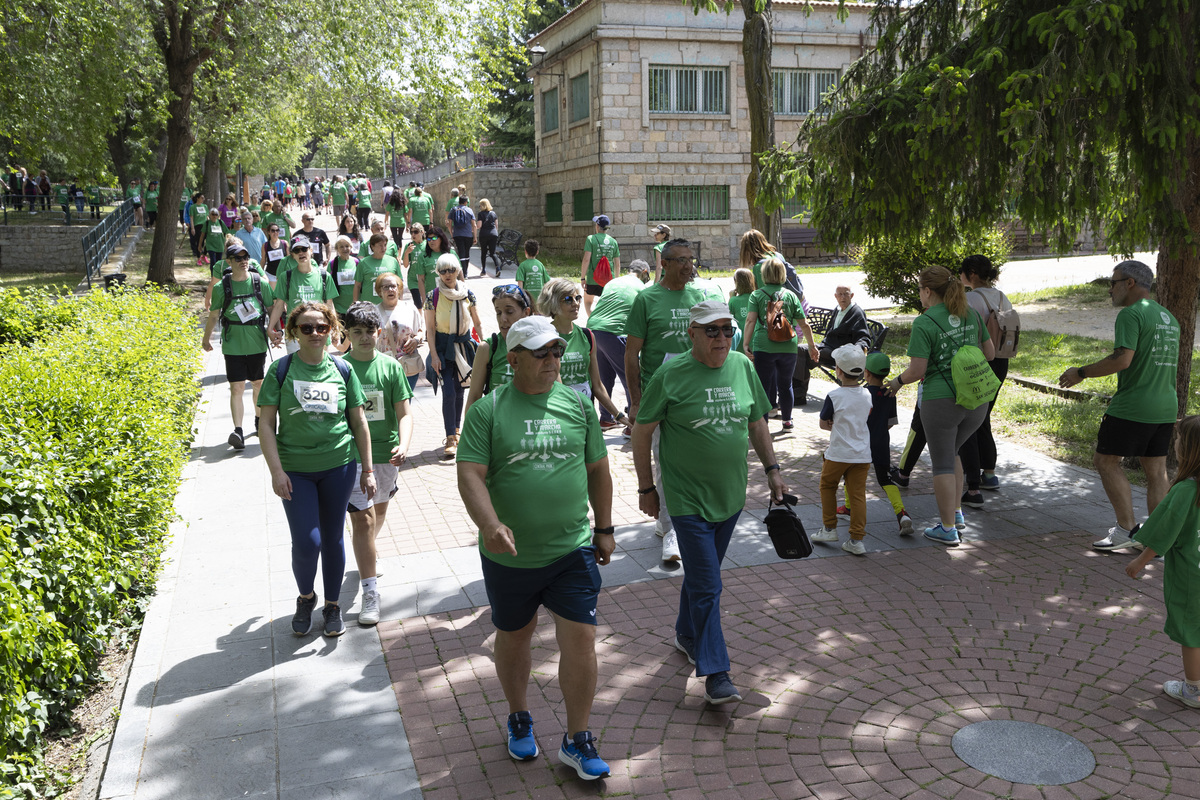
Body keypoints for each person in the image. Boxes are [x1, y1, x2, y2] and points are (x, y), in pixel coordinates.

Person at [456, 315, 614, 781]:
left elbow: (599, 470)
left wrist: (604, 528)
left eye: (557, 351)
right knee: (515, 635)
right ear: (514, 359)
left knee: (582, 638)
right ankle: (519, 714)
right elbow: (469, 474)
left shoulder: (576, 404)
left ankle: (577, 739)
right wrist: (490, 524)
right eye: (542, 353)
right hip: (511, 555)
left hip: (572, 549)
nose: (552, 360)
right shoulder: (488, 410)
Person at [633, 300, 787, 704]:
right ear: (692, 334)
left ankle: (686, 634)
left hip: (731, 496)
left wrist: (772, 469)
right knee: (709, 585)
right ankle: (717, 672)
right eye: (711, 330)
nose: (721, 338)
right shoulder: (670, 374)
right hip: (686, 499)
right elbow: (641, 431)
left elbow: (756, 421)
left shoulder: (742, 365)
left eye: (726, 329)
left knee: (704, 578)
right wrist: (647, 488)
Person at [258, 302, 374, 637]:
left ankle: (333, 605)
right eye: (306, 328)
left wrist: (367, 469)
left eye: (321, 327)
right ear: (294, 332)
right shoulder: (280, 371)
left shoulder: (342, 370)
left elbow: (359, 421)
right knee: (308, 543)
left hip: (338, 466)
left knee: (334, 537)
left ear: (331, 331)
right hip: (296, 470)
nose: (314, 334)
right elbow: (266, 424)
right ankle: (306, 596)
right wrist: (276, 471)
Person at [1058, 259, 1180, 551]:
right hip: (1166, 406)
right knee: (1156, 470)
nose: (1109, 290)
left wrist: (1081, 372)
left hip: (1134, 406)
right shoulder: (1168, 318)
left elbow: (1123, 359)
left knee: (1105, 461)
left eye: (1112, 283)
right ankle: (1156, 539)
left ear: (1130, 283)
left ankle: (1126, 530)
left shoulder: (1131, 314)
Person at [886, 266, 995, 545]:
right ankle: (956, 514)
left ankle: (948, 529)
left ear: (927, 291)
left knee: (943, 462)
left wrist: (897, 382)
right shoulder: (970, 313)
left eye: (920, 290)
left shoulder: (924, 322)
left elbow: (916, 370)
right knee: (954, 452)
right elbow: (990, 353)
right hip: (977, 399)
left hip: (941, 400)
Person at [625, 238, 709, 563]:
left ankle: (674, 522)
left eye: (691, 259)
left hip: (694, 394)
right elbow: (631, 354)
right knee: (665, 462)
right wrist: (635, 400)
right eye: (682, 260)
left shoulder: (699, 296)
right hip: (658, 396)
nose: (689, 266)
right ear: (666, 263)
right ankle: (671, 532)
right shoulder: (647, 299)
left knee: (691, 461)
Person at [342, 301, 413, 626]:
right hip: (351, 458)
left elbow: (405, 415)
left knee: (379, 511)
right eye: (357, 332)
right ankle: (370, 593)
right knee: (364, 521)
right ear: (347, 333)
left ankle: (367, 551)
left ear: (378, 332)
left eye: (369, 331)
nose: (364, 337)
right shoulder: (338, 369)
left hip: (387, 454)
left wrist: (405, 442)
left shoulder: (391, 367)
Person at [1126, 415, 1200, 709]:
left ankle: (1193, 690)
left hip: (1191, 579)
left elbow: (1161, 533)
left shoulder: (1185, 492)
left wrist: (1140, 562)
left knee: (1191, 632)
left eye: (1180, 440)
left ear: (1190, 450)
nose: (1176, 444)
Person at [202, 241, 275, 449]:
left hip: (257, 342)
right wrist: (206, 339)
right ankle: (238, 431)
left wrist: (275, 331)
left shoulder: (259, 282)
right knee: (237, 387)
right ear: (229, 261)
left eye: (245, 258)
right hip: (233, 344)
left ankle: (260, 422)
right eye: (238, 258)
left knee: (258, 383)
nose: (243, 261)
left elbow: (271, 308)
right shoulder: (221, 287)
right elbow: (214, 315)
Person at [535, 278, 629, 426]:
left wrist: (618, 416)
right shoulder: (544, 337)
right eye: (568, 299)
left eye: (577, 298)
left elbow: (597, 385)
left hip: (585, 414)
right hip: (558, 416)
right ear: (553, 304)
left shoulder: (587, 336)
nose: (576, 303)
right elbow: (554, 386)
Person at [958, 254, 1013, 504]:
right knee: (984, 415)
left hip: (978, 361)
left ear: (971, 273)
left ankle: (974, 481)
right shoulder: (1002, 296)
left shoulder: (970, 299)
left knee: (973, 418)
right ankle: (989, 472)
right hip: (1002, 361)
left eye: (962, 272)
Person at [810, 345, 874, 555]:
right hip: (862, 454)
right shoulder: (866, 394)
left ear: (838, 370)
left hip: (838, 453)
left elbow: (823, 423)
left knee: (828, 486)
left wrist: (832, 423)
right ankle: (857, 540)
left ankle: (829, 528)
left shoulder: (834, 395)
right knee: (858, 495)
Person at [743, 257, 818, 431]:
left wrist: (746, 344)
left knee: (763, 386)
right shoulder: (791, 295)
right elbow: (804, 324)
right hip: (788, 346)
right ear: (783, 274)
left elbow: (750, 320)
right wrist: (812, 346)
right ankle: (787, 421)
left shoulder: (757, 295)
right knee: (786, 384)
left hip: (764, 346)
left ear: (763, 274)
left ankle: (763, 423)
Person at [425, 254, 483, 459]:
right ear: (438, 273)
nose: (448, 275)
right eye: (443, 271)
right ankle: (450, 436)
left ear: (459, 270)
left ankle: (456, 430)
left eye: (451, 270)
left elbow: (477, 322)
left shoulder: (468, 294)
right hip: (442, 348)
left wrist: (484, 346)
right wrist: (433, 356)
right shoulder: (432, 297)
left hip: (464, 347)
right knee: (448, 391)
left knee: (460, 391)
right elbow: (430, 330)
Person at [583, 260, 652, 431]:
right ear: (644, 272)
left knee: (604, 378)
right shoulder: (641, 288)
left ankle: (605, 419)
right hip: (614, 332)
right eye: (647, 277)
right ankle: (633, 425)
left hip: (593, 330)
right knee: (631, 377)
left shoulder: (613, 282)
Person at [794, 285, 872, 400]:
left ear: (852, 295)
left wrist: (858, 348)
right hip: (827, 347)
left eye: (846, 294)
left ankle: (798, 395)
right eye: (840, 294)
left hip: (839, 351)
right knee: (799, 350)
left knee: (806, 355)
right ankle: (798, 394)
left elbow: (863, 336)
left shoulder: (856, 312)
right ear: (835, 296)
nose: (843, 297)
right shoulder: (837, 309)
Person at [465, 284, 533, 414]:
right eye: (498, 313)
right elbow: (474, 398)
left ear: (526, 312)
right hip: (496, 428)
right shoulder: (488, 348)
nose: (503, 319)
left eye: (509, 312)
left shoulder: (542, 346)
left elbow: (557, 394)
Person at [268, 237, 339, 353]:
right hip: (295, 332)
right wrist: (270, 328)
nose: (301, 253)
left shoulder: (324, 276)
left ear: (311, 250)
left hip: (319, 330)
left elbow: (329, 305)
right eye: (297, 251)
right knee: (296, 368)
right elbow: (279, 305)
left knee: (319, 367)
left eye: (304, 249)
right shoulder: (285, 277)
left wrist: (335, 329)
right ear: (293, 255)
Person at [373, 273, 424, 391]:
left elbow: (420, 330)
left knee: (405, 404)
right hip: (382, 367)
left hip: (407, 366)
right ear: (379, 291)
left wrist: (416, 340)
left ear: (399, 288)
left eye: (393, 286)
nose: (390, 290)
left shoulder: (409, 308)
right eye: (385, 287)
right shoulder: (373, 312)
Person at [580, 214, 620, 314]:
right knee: (607, 304)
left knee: (588, 302)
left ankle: (592, 321)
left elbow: (586, 260)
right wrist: (616, 281)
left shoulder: (591, 239)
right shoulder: (613, 241)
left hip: (592, 279)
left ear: (597, 226)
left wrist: (582, 278)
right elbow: (617, 264)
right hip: (608, 280)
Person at [412, 225, 454, 308]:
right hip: (433, 297)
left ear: (441, 238)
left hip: (451, 295)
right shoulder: (423, 256)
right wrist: (424, 299)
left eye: (434, 238)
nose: (431, 241)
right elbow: (420, 279)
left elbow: (460, 274)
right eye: (429, 239)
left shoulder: (451, 253)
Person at [355, 232, 403, 303]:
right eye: (380, 245)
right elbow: (357, 285)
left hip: (389, 304)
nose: (383, 248)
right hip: (369, 305)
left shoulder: (393, 261)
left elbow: (400, 283)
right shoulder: (363, 262)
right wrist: (355, 303)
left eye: (385, 245)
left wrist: (400, 301)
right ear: (372, 246)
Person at [327, 235, 360, 319]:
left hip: (354, 304)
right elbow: (328, 285)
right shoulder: (332, 264)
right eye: (341, 247)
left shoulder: (356, 262)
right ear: (337, 249)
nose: (345, 249)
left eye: (347, 246)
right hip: (339, 306)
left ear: (351, 247)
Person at [448, 195, 476, 276]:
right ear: (466, 202)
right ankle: (465, 271)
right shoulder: (469, 210)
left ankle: (463, 272)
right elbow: (474, 224)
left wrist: (451, 233)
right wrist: (474, 236)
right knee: (467, 252)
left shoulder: (453, 209)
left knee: (461, 252)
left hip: (457, 235)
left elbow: (449, 223)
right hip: (468, 235)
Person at [727, 268, 756, 339]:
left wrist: (731, 298)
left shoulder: (734, 300)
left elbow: (727, 316)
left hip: (741, 340)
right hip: (756, 339)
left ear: (737, 282)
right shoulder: (756, 297)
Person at [475, 199, 500, 277]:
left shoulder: (480, 214)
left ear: (482, 206)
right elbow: (496, 225)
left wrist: (474, 227)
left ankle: (483, 270)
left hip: (484, 235)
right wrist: (494, 232)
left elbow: (479, 226)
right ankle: (498, 268)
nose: (479, 207)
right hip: (493, 234)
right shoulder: (493, 213)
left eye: (480, 205)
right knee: (493, 253)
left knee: (484, 252)